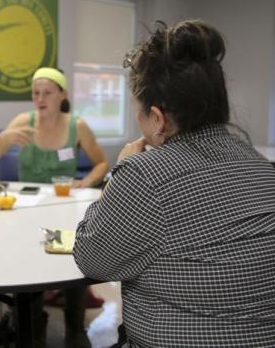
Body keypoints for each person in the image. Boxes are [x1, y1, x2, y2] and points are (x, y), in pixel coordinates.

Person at [74, 19, 275, 347]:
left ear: (157, 119)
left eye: (138, 112)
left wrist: (120, 172)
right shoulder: (265, 170)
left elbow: (92, 259)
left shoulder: (144, 175)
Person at [0, 67, 110, 347]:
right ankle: (33, 321)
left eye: (47, 93)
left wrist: (85, 181)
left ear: (62, 94)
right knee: (29, 258)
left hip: (64, 205)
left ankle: (75, 326)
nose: (40, 98)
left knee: (76, 253)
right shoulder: (23, 120)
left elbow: (102, 163)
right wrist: (4, 139)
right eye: (35, 93)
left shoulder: (77, 125)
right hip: (29, 207)